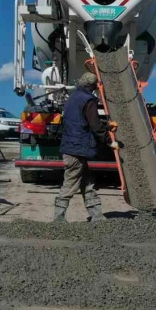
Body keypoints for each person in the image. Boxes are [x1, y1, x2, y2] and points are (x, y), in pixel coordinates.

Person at [54, 72, 119, 222]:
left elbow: (81, 121)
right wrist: (109, 141)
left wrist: (106, 126)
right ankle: (58, 218)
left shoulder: (72, 98)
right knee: (70, 184)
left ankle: (97, 216)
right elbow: (94, 125)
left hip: (72, 147)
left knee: (88, 183)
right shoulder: (89, 100)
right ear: (92, 87)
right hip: (77, 149)